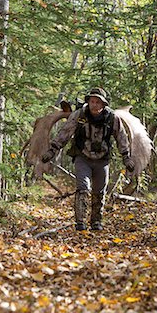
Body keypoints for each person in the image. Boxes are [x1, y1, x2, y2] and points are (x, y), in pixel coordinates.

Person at [42, 87, 135, 231]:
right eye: (92, 101)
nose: (94, 105)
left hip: (102, 159)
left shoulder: (112, 118)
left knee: (99, 190)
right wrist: (52, 150)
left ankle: (96, 222)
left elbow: (121, 137)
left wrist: (126, 157)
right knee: (83, 188)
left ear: (103, 104)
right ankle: (80, 222)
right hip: (83, 157)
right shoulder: (79, 116)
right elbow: (65, 132)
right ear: (89, 102)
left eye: (98, 102)